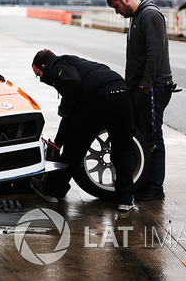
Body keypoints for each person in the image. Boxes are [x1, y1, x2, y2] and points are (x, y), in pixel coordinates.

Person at [29, 49, 135, 211]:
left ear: (44, 66)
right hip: (122, 93)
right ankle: (125, 200)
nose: (41, 78)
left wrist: (63, 110)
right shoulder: (79, 64)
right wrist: (58, 141)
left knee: (74, 148)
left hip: (99, 98)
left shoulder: (57, 65)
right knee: (123, 148)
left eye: (38, 74)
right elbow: (73, 109)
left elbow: (72, 87)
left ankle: (52, 190)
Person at [107, 0, 175, 201]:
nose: (117, 12)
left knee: (153, 138)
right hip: (139, 87)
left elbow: (155, 53)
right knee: (143, 137)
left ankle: (156, 188)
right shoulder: (136, 18)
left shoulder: (150, 15)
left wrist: (146, 82)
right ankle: (145, 182)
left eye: (117, 7)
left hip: (153, 87)